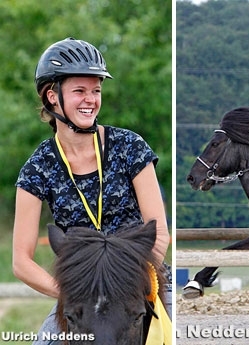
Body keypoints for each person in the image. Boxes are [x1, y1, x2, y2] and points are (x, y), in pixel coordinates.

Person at [11, 37, 171, 343]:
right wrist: (76, 292)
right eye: (80, 91)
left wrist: (129, 284)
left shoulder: (130, 147)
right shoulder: (36, 169)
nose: (91, 99)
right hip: (81, 298)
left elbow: (159, 231)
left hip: (138, 284)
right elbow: (21, 261)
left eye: (96, 90)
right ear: (53, 96)